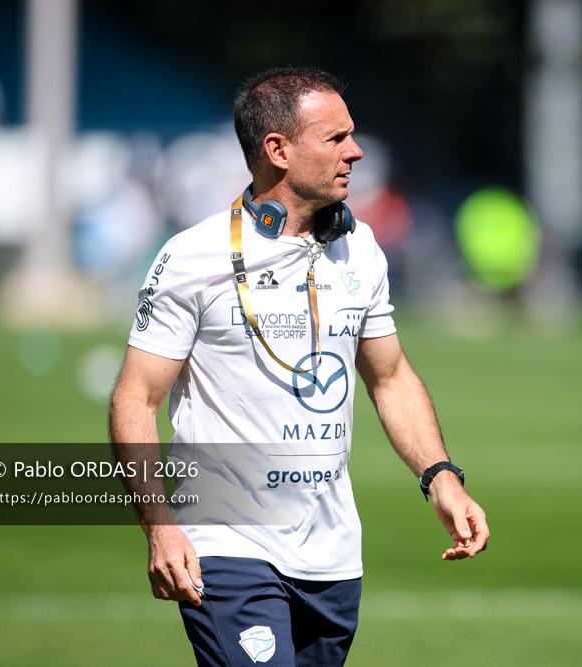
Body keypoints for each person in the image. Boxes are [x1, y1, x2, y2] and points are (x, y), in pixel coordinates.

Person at [109, 66, 489, 667]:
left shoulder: (359, 248)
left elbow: (390, 377)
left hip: (332, 551)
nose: (356, 151)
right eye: (336, 138)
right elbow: (136, 399)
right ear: (277, 150)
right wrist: (160, 525)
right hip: (224, 539)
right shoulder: (192, 256)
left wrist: (439, 475)